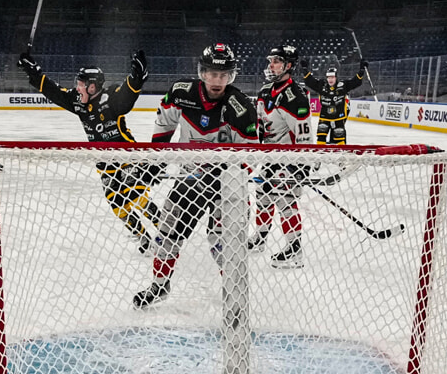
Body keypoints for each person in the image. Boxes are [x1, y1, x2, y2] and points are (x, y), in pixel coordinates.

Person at [134, 42, 258, 308]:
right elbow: (164, 125)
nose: (218, 81)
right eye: (213, 73)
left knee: (224, 244)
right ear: (202, 73)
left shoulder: (240, 107)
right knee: (167, 233)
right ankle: (159, 285)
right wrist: (156, 160)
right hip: (189, 179)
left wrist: (223, 174)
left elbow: (249, 156)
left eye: (224, 75)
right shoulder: (181, 93)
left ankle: (234, 293)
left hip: (227, 186)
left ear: (231, 76)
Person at [19, 49, 160, 253]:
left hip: (127, 157)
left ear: (93, 86)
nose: (77, 88)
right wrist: (33, 72)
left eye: (81, 84)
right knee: (118, 207)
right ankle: (143, 237)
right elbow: (55, 93)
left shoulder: (110, 98)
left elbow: (127, 96)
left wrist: (137, 77)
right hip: (104, 163)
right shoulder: (79, 103)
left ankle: (166, 234)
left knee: (139, 199)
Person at [252, 45, 315, 268]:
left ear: (288, 66)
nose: (271, 65)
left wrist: (301, 167)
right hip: (269, 158)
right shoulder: (265, 91)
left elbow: (304, 135)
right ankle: (260, 238)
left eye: (276, 61)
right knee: (262, 195)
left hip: (288, 160)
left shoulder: (295, 97)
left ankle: (294, 250)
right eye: (271, 61)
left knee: (285, 201)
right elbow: (259, 125)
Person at [301, 59, 367, 145]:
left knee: (340, 141)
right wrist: (305, 70)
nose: (330, 79)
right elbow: (310, 82)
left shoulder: (343, 86)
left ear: (336, 77)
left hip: (338, 118)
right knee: (321, 138)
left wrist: (361, 71)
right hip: (324, 117)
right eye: (328, 77)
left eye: (332, 77)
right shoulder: (322, 85)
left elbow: (355, 82)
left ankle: (341, 157)